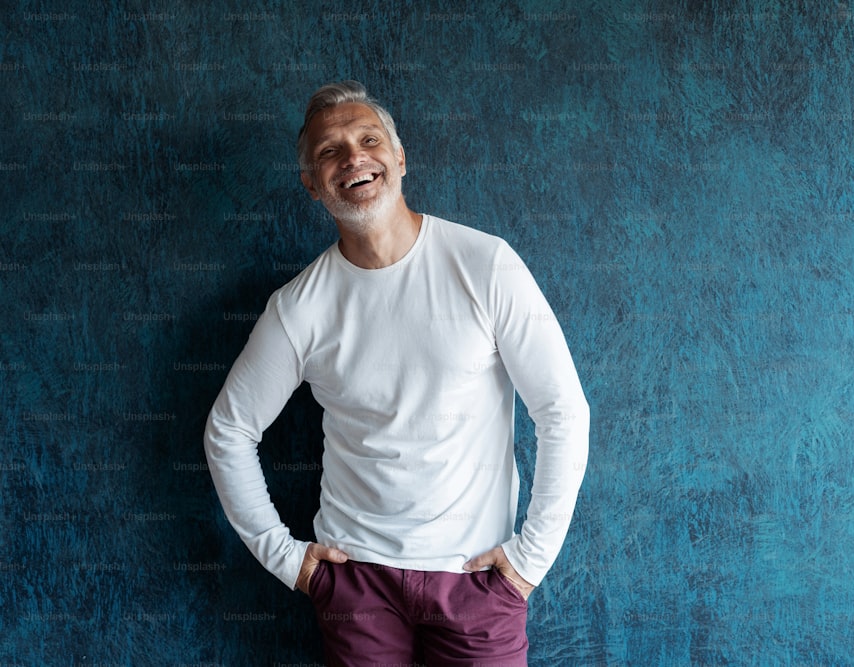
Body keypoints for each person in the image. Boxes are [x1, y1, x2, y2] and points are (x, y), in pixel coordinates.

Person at [204, 80, 589, 666]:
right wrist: (287, 559)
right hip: (356, 586)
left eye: (368, 139)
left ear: (399, 157)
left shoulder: (485, 264)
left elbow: (563, 409)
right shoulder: (298, 308)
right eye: (329, 152)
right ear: (311, 183)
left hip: (477, 580)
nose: (353, 158)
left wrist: (530, 559)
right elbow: (228, 432)